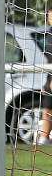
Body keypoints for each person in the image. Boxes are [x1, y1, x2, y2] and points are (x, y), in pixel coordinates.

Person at [36, 9, 52, 145]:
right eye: (50, 16)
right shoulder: (47, 34)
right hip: (50, 76)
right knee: (47, 108)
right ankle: (44, 137)